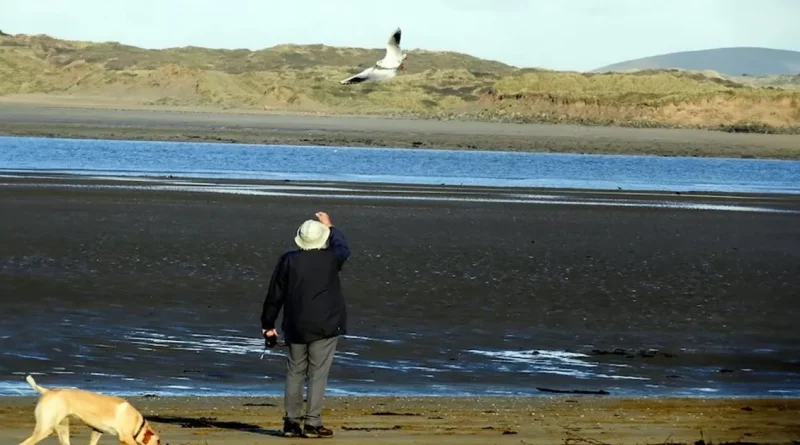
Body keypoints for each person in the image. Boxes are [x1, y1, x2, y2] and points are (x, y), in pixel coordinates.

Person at [260, 211, 350, 438]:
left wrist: (268, 323)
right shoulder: (331, 258)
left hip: (296, 323)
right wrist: (330, 226)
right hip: (325, 324)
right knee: (318, 374)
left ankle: (291, 423)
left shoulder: (289, 259)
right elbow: (343, 247)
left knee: (295, 372)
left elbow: (275, 294)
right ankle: (311, 423)